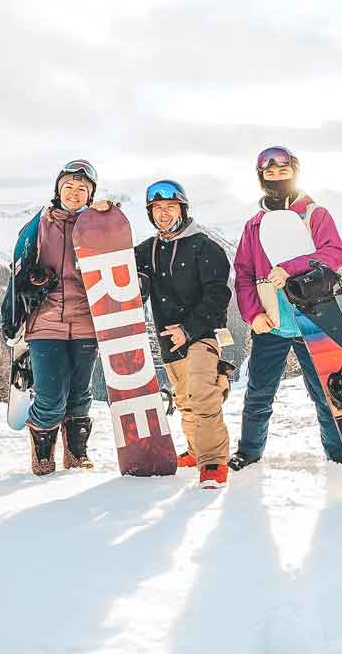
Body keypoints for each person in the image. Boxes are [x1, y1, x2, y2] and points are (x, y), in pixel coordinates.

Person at [229, 146, 342, 470]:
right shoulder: (254, 225)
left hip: (314, 316)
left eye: (283, 171)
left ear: (294, 172)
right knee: (258, 394)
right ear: (261, 178)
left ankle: (338, 455)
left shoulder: (313, 215)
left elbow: (333, 253)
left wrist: (290, 267)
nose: (277, 177)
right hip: (273, 321)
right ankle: (249, 452)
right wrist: (253, 315)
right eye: (270, 172)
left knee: (326, 394)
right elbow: (243, 274)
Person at [5, 159, 110, 476]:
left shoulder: (98, 227)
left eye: (82, 189)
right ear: (58, 190)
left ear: (90, 195)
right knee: (50, 396)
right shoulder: (39, 225)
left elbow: (115, 266)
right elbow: (18, 272)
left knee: (80, 393)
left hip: (87, 323)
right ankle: (42, 453)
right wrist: (21, 299)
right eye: (69, 187)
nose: (75, 193)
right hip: (46, 322)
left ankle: (77, 454)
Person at [134, 180, 234, 489]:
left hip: (203, 333)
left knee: (202, 393)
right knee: (184, 399)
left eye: (170, 207)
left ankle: (213, 462)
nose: (163, 215)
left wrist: (188, 329)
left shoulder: (206, 247)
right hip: (169, 338)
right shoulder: (147, 250)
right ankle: (195, 449)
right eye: (157, 209)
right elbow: (116, 264)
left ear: (183, 208)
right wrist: (102, 214)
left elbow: (218, 296)